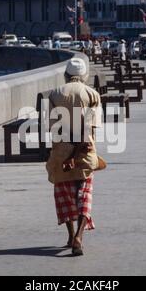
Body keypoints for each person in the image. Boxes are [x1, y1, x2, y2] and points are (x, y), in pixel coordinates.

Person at [46, 58, 105, 256]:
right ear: (84, 76)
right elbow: (89, 128)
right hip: (85, 151)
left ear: (66, 75)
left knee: (64, 193)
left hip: (61, 152)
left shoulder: (54, 94)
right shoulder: (92, 94)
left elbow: (53, 128)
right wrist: (77, 151)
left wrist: (66, 152)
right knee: (83, 193)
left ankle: (71, 235)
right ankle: (79, 236)